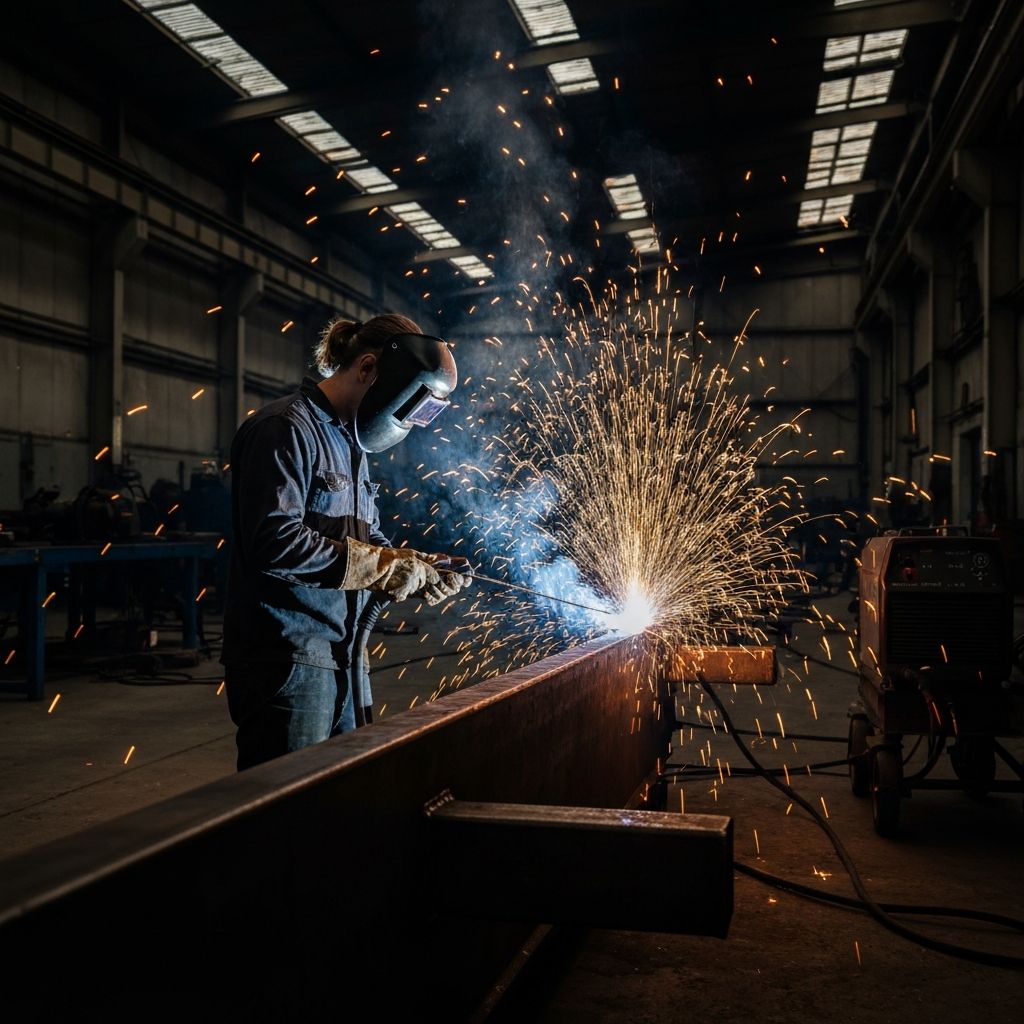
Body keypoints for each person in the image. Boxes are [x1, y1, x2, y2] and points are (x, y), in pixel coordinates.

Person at [221, 313, 472, 769]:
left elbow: (363, 536)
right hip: (288, 659)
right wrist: (382, 568)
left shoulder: (351, 444)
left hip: (346, 654)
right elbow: (275, 542)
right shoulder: (284, 429)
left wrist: (417, 564)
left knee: (342, 795)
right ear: (367, 368)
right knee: (289, 803)